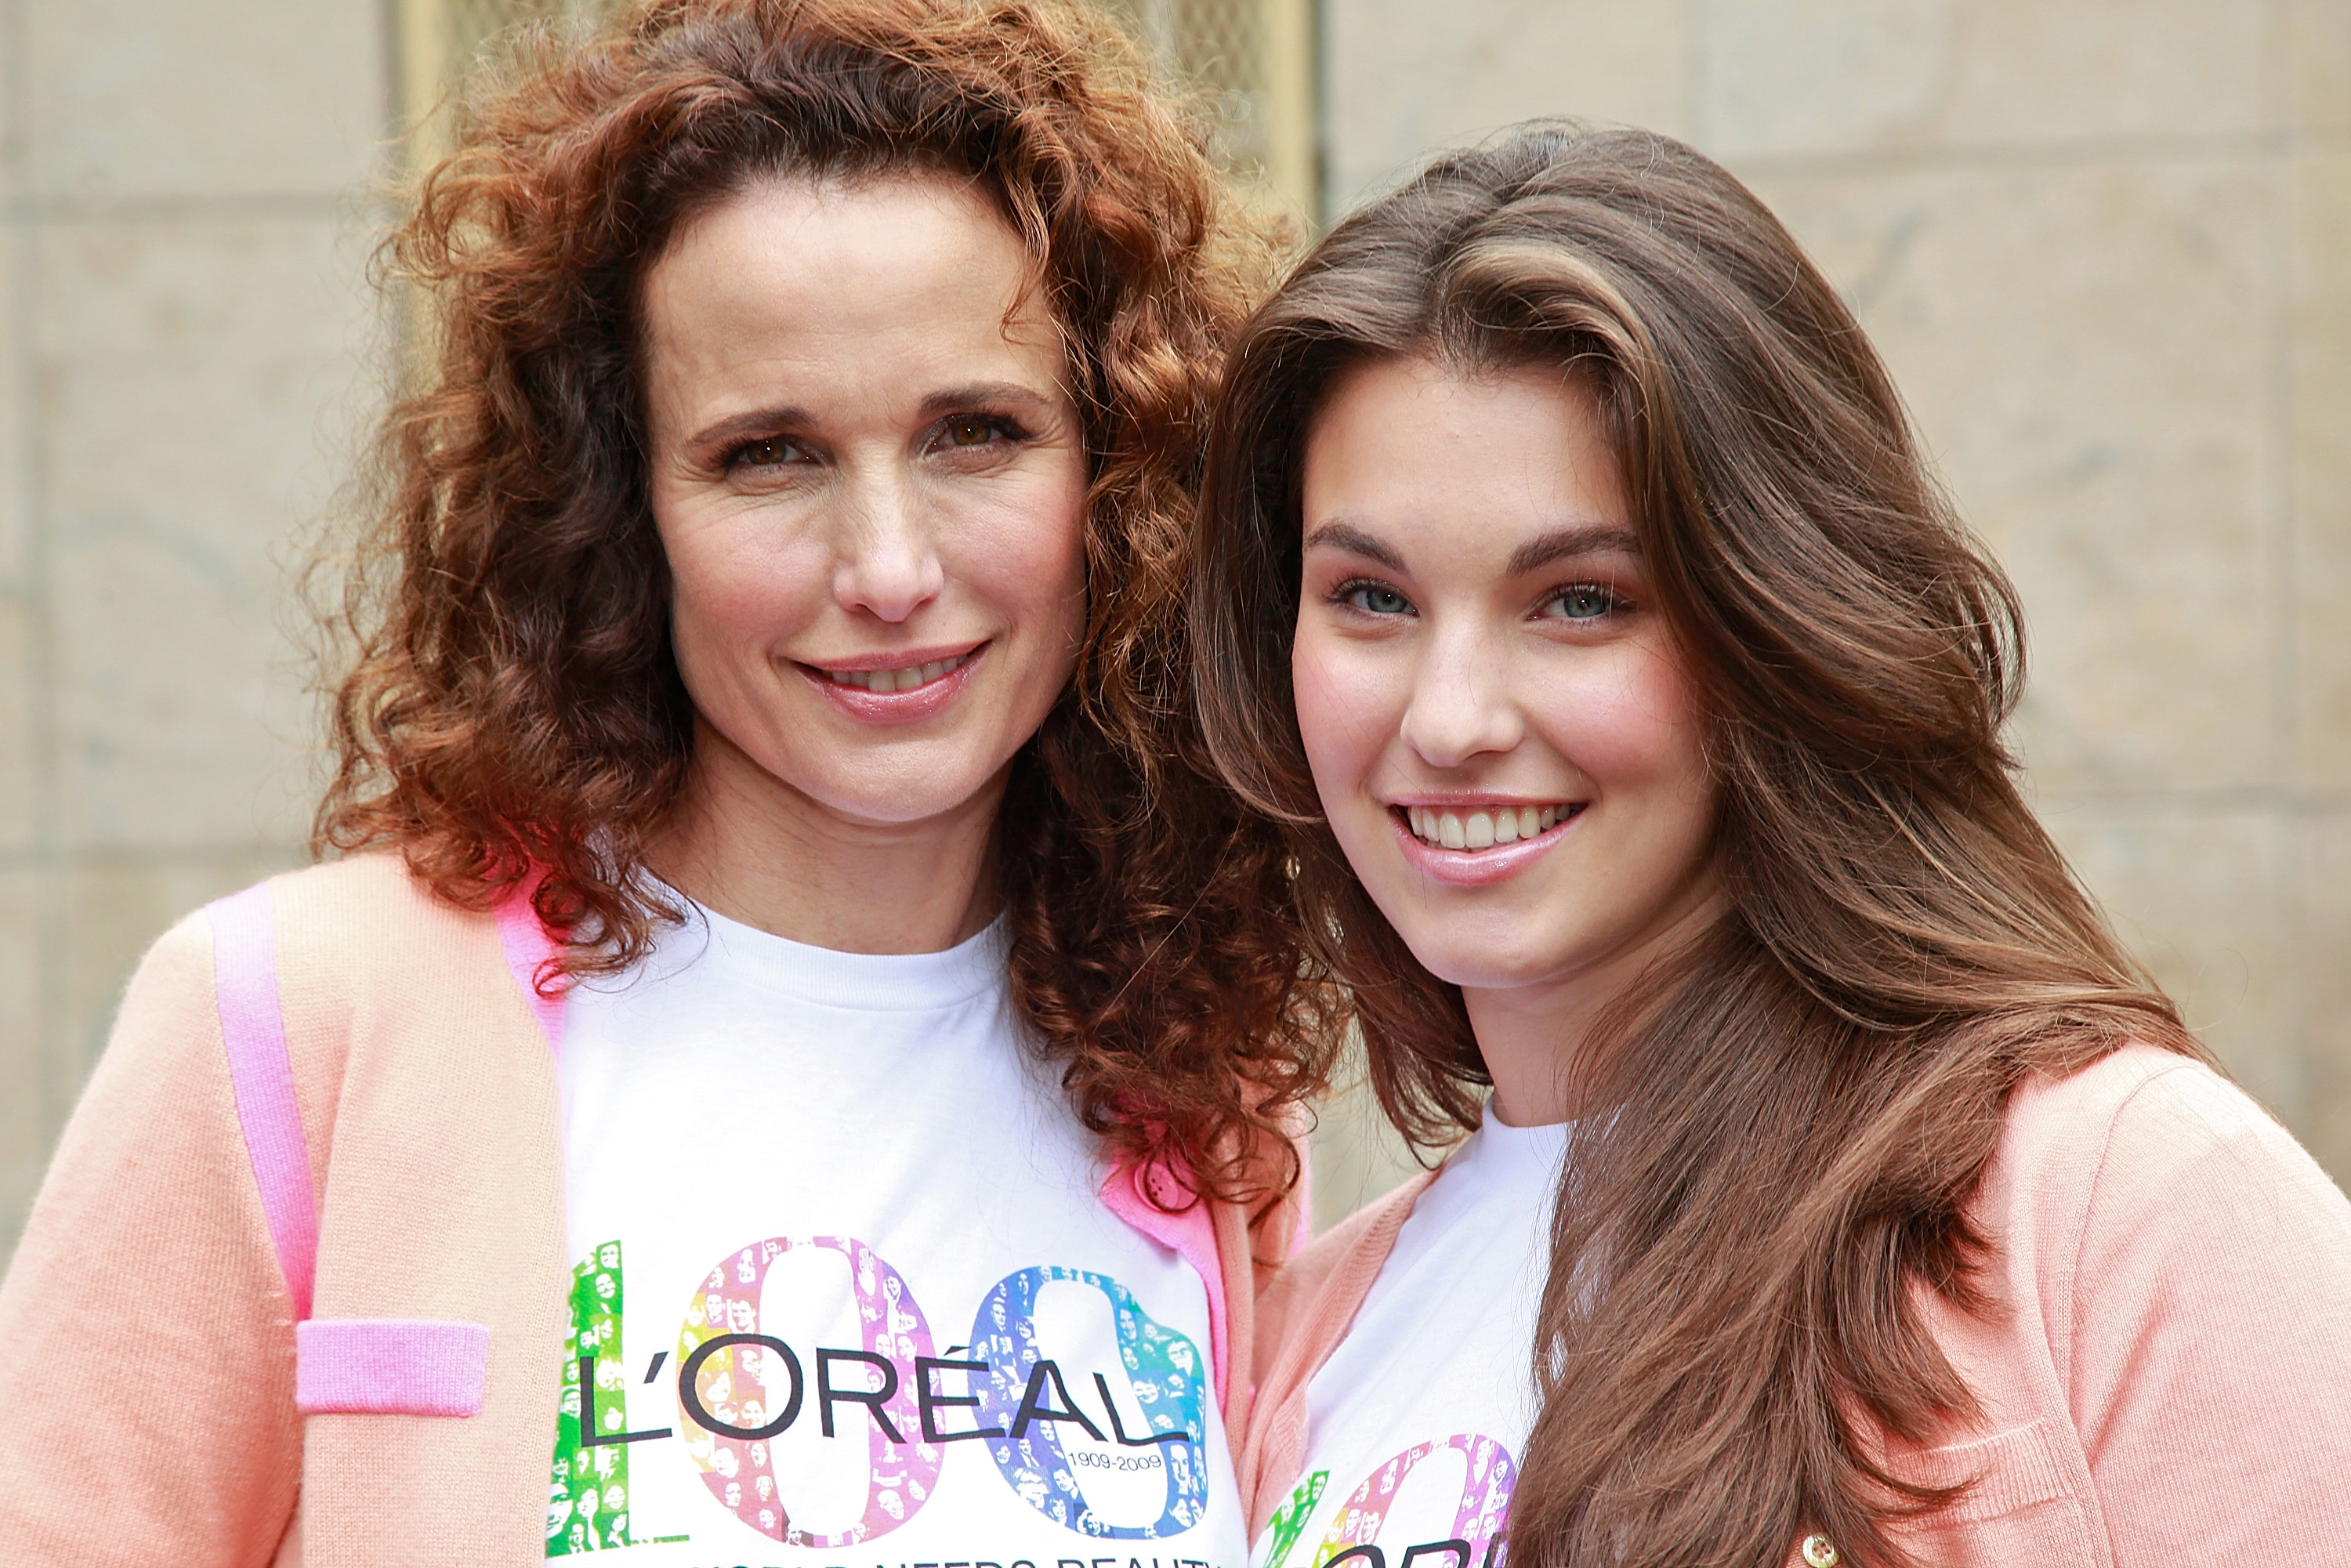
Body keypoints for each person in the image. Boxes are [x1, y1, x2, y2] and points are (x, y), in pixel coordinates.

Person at [0, 2, 1324, 1563]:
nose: (889, 567)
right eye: (768, 452)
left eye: (978, 432)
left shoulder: (1194, 1084)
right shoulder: (296, 1017)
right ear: (617, 504)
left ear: (1115, 475)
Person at [1191, 122, 2351, 1568]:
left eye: (1580, 601)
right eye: (1371, 597)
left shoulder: (2114, 1196)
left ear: (1773, 624)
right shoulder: (1301, 1343)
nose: (1451, 717)